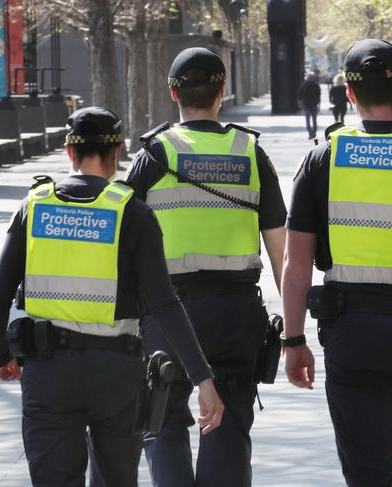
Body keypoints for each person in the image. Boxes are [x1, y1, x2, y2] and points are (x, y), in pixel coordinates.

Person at [0, 107, 224, 487]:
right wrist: (203, 380)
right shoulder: (133, 213)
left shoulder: (35, 206)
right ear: (116, 153)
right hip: (116, 375)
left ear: (68, 151)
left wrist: (0, 356)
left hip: (48, 373)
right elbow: (164, 302)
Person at [126, 47, 287, 487]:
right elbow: (280, 251)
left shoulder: (153, 156)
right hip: (235, 316)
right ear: (222, 92)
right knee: (229, 425)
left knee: (161, 422)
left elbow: (120, 243)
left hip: (166, 316)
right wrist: (293, 332)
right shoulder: (250, 153)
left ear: (172, 92)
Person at [283, 38, 392, 487]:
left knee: (367, 474)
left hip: (354, 334)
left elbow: (296, 262)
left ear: (349, 93)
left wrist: (293, 341)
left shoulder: (322, 158)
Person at [299, 72, 322, 139]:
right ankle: (314, 133)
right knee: (314, 120)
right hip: (314, 105)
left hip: (306, 105)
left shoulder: (303, 85)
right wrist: (319, 105)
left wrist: (300, 104)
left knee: (308, 120)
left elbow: (299, 95)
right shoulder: (316, 85)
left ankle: (310, 133)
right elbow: (319, 96)